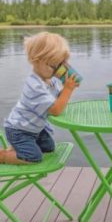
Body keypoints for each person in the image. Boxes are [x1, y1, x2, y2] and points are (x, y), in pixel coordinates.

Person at [0, 32, 79, 164]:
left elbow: (58, 100)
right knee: (34, 157)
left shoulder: (50, 80)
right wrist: (68, 90)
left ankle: (17, 148)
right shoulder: (34, 86)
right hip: (19, 130)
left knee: (49, 148)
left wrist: (65, 87)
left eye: (60, 65)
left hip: (35, 129)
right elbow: (55, 110)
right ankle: (3, 156)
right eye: (54, 66)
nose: (56, 71)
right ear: (37, 61)